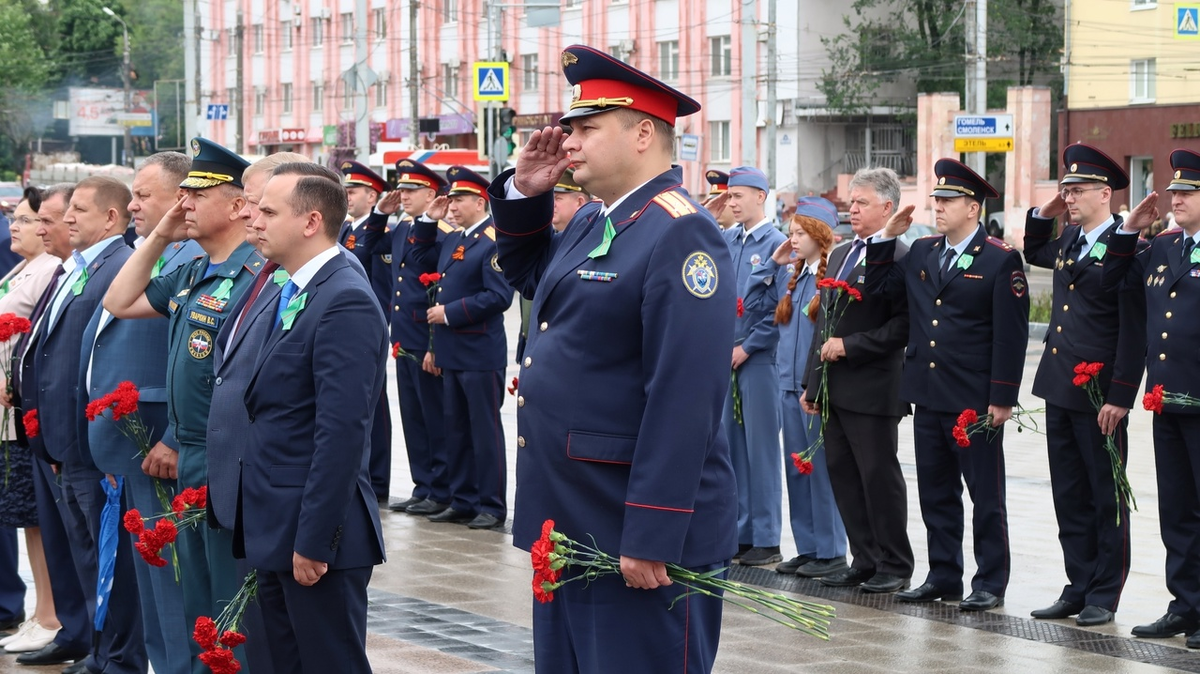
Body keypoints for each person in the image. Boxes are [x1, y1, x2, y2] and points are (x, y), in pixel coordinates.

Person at [488, 44, 737, 672]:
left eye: (586, 128)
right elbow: (532, 278)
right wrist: (524, 192)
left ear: (644, 133)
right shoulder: (596, 218)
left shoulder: (681, 231)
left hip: (630, 526)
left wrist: (652, 531)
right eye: (568, 127)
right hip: (574, 518)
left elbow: (684, 394)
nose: (568, 142)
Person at [103, 137, 263, 669]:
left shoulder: (254, 276)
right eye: (182, 194)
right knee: (197, 603)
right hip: (190, 460)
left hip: (225, 457)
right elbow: (119, 300)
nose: (183, 204)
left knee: (231, 609)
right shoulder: (193, 270)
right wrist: (158, 237)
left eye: (197, 193)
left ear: (240, 205)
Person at [238, 161, 386, 674]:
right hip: (276, 519)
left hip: (314, 530)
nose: (254, 219)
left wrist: (314, 539)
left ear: (310, 221)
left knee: (327, 663)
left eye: (268, 211)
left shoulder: (343, 297)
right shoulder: (297, 287)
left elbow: (341, 431)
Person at [865, 159, 1029, 611]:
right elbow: (880, 288)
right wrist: (886, 238)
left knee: (986, 497)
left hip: (973, 399)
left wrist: (1002, 397)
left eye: (948, 200)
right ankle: (943, 575)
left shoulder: (1000, 259)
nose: (937, 207)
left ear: (972, 208)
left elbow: (1010, 334)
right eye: (936, 199)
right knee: (936, 492)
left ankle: (990, 581)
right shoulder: (921, 251)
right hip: (928, 392)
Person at [80, 153, 201, 674]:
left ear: (180, 199)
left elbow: (196, 365)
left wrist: (173, 434)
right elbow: (116, 304)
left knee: (175, 591)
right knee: (155, 590)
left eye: (143, 195)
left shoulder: (193, 258)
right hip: (137, 444)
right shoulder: (162, 253)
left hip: (162, 445)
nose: (132, 205)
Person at [1022, 144, 1144, 627]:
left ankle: (1104, 591)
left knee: (1104, 494)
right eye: (1065, 190)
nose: (1069, 198)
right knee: (1069, 493)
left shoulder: (1127, 245)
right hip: (1059, 385)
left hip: (1098, 396)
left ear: (1106, 194)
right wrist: (1042, 213)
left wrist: (1120, 395)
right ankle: (1077, 584)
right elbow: (1034, 251)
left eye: (1077, 191)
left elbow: (1133, 329)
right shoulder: (1071, 239)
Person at [27, 176, 140, 672]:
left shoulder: (118, 266)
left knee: (108, 562)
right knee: (87, 556)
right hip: (63, 442)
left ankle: (117, 658)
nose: (67, 217)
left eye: (79, 209)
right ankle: (99, 651)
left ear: (111, 218)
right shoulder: (79, 266)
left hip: (91, 444)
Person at [1102, 148, 1200, 647]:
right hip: (1169, 402)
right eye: (1174, 191)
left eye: (1186, 192)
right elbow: (1110, 280)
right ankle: (1186, 604)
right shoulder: (1164, 246)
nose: (1174, 198)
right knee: (1177, 510)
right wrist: (1127, 230)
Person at [801, 168, 913, 594]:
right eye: (851, 202)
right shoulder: (845, 251)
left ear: (888, 207)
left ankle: (895, 563)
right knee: (844, 476)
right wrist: (812, 385)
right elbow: (823, 322)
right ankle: (864, 558)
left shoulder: (901, 257)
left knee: (877, 477)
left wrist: (852, 346)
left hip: (873, 387)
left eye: (862, 202)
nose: (853, 209)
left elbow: (904, 325)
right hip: (835, 389)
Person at [11, 183, 94, 669]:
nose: (39, 228)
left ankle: (87, 634)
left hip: (71, 433)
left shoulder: (95, 271)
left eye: (49, 219)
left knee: (82, 544)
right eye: (34, 220)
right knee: (63, 542)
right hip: (42, 429)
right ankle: (71, 628)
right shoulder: (66, 271)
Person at [743, 198, 848, 579]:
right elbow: (754, 304)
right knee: (797, 471)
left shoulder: (830, 279)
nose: (793, 240)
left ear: (819, 236)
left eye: (800, 233)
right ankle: (808, 548)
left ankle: (832, 550)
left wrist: (815, 388)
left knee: (820, 470)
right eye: (791, 233)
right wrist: (774, 262)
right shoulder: (794, 277)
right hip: (785, 386)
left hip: (813, 391)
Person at [410, 166, 513, 530]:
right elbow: (421, 261)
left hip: (480, 352)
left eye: (459, 200)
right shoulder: (455, 239)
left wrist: (449, 313)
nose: (452, 206)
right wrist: (427, 221)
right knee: (455, 429)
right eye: (450, 199)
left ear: (480, 201)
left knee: (483, 432)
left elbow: (499, 296)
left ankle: (491, 505)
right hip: (452, 352)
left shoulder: (492, 240)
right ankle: (463, 499)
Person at [358, 159, 454, 516]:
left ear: (431, 194)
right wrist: (380, 214)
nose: (404, 196)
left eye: (412, 191)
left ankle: (440, 489)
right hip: (403, 336)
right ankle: (422, 485)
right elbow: (366, 248)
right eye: (403, 190)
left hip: (425, 335)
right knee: (412, 417)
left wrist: (433, 343)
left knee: (433, 415)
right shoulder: (401, 229)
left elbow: (440, 288)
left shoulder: (441, 233)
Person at [0, 188, 62, 655]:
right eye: (18, 219)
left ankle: (51, 614)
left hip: (23, 415)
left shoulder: (47, 272)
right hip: (11, 415)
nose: (19, 227)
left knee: (38, 519)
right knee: (27, 520)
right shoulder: (23, 269)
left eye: (28, 219)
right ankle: (43, 611)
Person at [721, 166, 788, 567]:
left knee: (761, 451)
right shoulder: (728, 240)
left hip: (759, 361)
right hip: (726, 358)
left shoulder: (778, 243)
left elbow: (781, 309)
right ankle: (741, 533)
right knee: (732, 451)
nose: (731, 203)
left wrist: (749, 346)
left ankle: (766, 537)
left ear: (760, 196)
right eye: (729, 197)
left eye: (738, 196)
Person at [339, 160, 394, 504]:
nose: (347, 196)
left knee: (376, 409)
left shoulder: (381, 232)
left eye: (353, 191)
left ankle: (379, 479)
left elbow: (383, 289)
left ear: (372, 195)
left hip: (366, 328)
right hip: (345, 325)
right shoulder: (344, 229)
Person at [516, 169, 598, 362]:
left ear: (579, 202)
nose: (551, 205)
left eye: (558, 198)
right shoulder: (547, 244)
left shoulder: (589, 245)